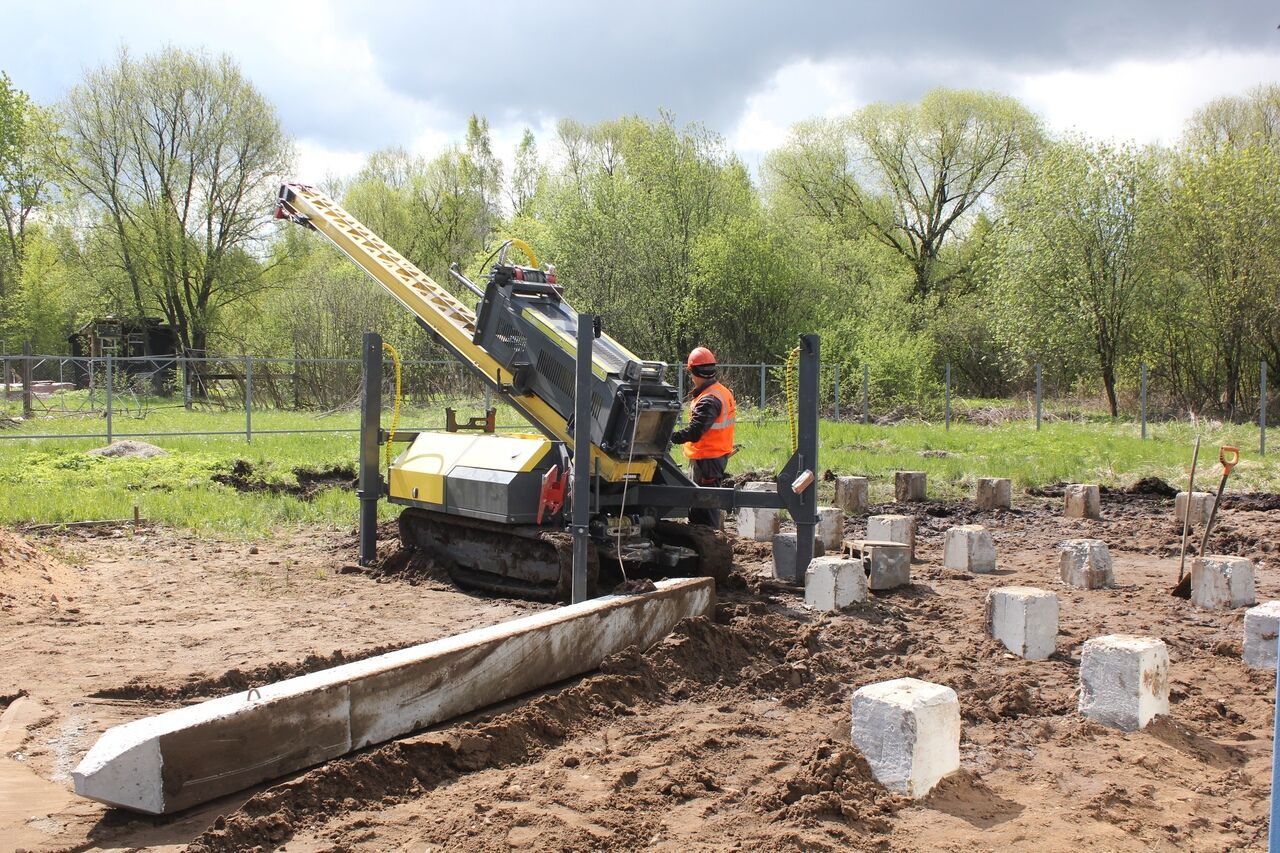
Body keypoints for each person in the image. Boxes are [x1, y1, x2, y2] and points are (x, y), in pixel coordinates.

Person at [670, 346, 736, 527]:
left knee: (704, 505)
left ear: (693, 372)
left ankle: (709, 540)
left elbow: (695, 431)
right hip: (714, 455)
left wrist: (670, 437)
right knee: (706, 502)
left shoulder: (709, 399)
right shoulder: (720, 391)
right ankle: (710, 537)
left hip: (707, 459)